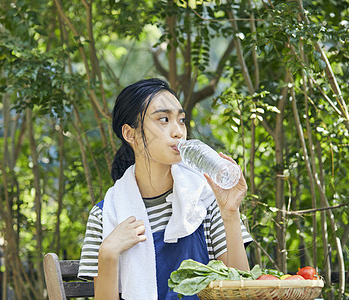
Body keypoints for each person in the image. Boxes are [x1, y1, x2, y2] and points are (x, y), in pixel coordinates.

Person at [78, 78, 252, 299]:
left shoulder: (206, 200)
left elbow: (241, 291)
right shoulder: (105, 216)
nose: (178, 131)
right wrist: (108, 253)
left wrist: (230, 213)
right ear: (131, 134)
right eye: (163, 119)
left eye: (181, 120)